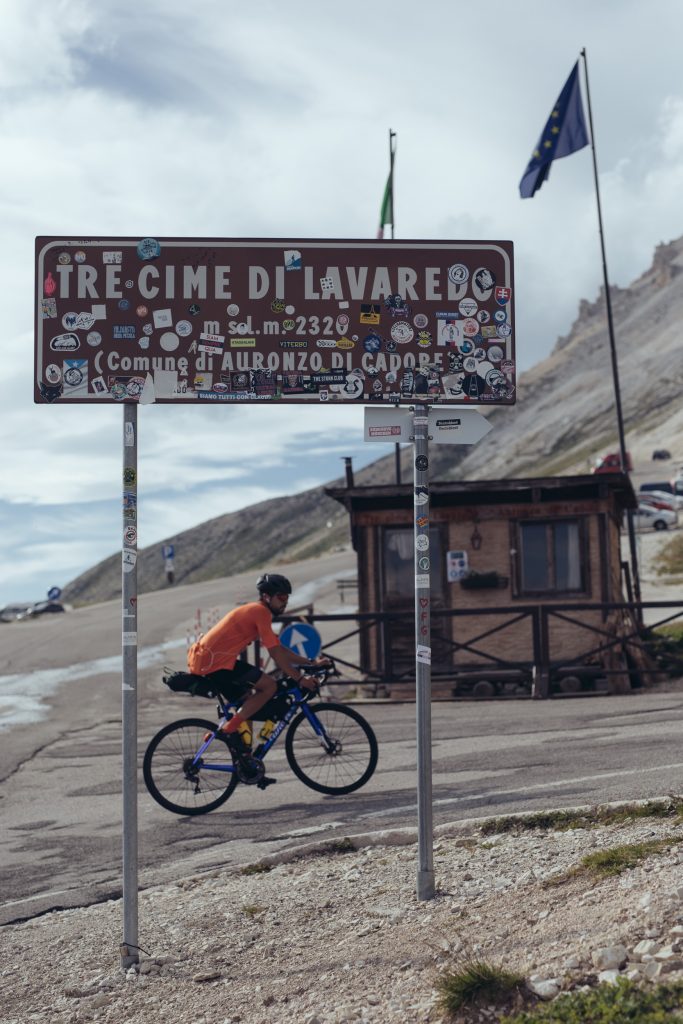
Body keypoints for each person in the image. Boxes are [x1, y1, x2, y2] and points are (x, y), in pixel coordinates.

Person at [186, 573, 329, 781]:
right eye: (281, 597)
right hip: (215, 663)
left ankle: (246, 761)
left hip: (213, 662)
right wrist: (300, 679)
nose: (285, 602)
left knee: (248, 701)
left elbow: (278, 647)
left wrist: (310, 663)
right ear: (266, 596)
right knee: (269, 686)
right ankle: (230, 729)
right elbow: (275, 654)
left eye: (287, 597)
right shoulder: (259, 612)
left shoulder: (258, 612)